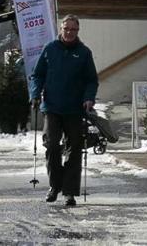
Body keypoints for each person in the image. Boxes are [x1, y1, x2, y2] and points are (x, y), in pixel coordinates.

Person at [29, 14, 99, 207]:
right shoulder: (50, 49)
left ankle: (69, 191)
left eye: (73, 29)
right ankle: (54, 186)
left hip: (75, 109)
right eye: (66, 29)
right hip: (52, 107)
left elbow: (91, 80)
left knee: (74, 149)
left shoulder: (84, 53)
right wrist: (35, 94)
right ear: (61, 29)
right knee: (52, 145)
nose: (69, 32)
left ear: (78, 31)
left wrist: (88, 98)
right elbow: (37, 75)